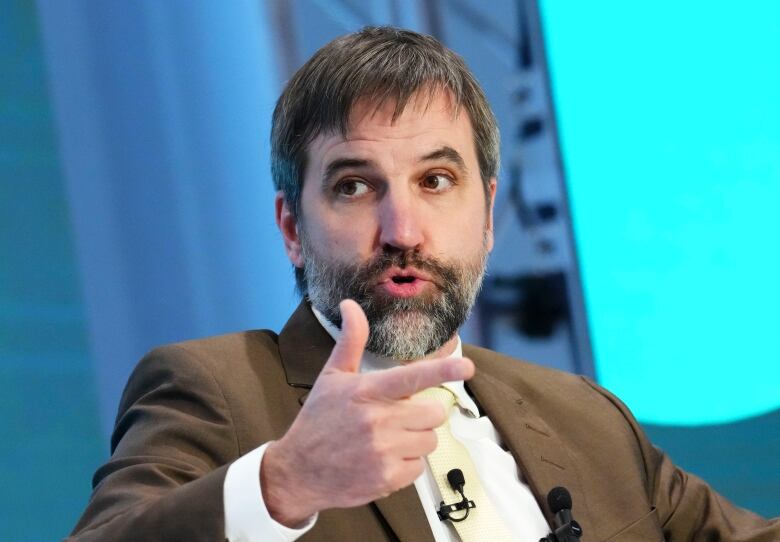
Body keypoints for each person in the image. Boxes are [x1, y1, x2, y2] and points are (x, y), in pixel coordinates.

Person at [68, 26, 778, 542]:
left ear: (489, 213)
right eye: (353, 186)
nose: (403, 227)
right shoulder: (214, 390)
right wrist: (283, 484)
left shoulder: (582, 415)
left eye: (436, 181)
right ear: (291, 227)